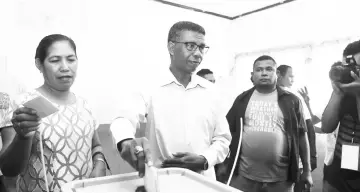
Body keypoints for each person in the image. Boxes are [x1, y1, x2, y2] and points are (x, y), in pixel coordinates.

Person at [110, 21, 231, 179]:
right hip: (162, 181)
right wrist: (126, 141)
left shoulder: (211, 91)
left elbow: (222, 138)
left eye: (201, 47)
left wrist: (204, 160)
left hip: (203, 183)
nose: (198, 53)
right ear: (172, 47)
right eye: (190, 45)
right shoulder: (149, 86)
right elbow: (123, 119)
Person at [0, 34, 107, 192]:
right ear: (39, 64)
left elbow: (95, 145)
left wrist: (100, 162)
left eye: (71, 59)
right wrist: (23, 137)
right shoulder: (24, 104)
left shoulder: (85, 105)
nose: (65, 67)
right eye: (55, 60)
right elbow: (9, 169)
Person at [224, 55, 313, 192]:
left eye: (269, 69)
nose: (264, 73)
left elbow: (301, 136)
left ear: (276, 73)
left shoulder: (292, 101)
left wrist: (307, 171)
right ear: (253, 75)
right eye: (259, 70)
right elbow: (226, 132)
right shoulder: (242, 100)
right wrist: (224, 164)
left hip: (281, 180)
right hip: (243, 177)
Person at [321, 40, 360, 191]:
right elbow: (326, 126)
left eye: (355, 67)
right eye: (347, 67)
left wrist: (358, 95)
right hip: (338, 166)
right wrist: (337, 92)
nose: (350, 72)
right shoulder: (345, 90)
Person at [276, 65, 317, 191]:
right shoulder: (268, 96)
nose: (293, 79)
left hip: (295, 162)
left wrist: (308, 165)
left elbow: (307, 131)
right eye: (290, 76)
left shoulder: (293, 97)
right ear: (279, 75)